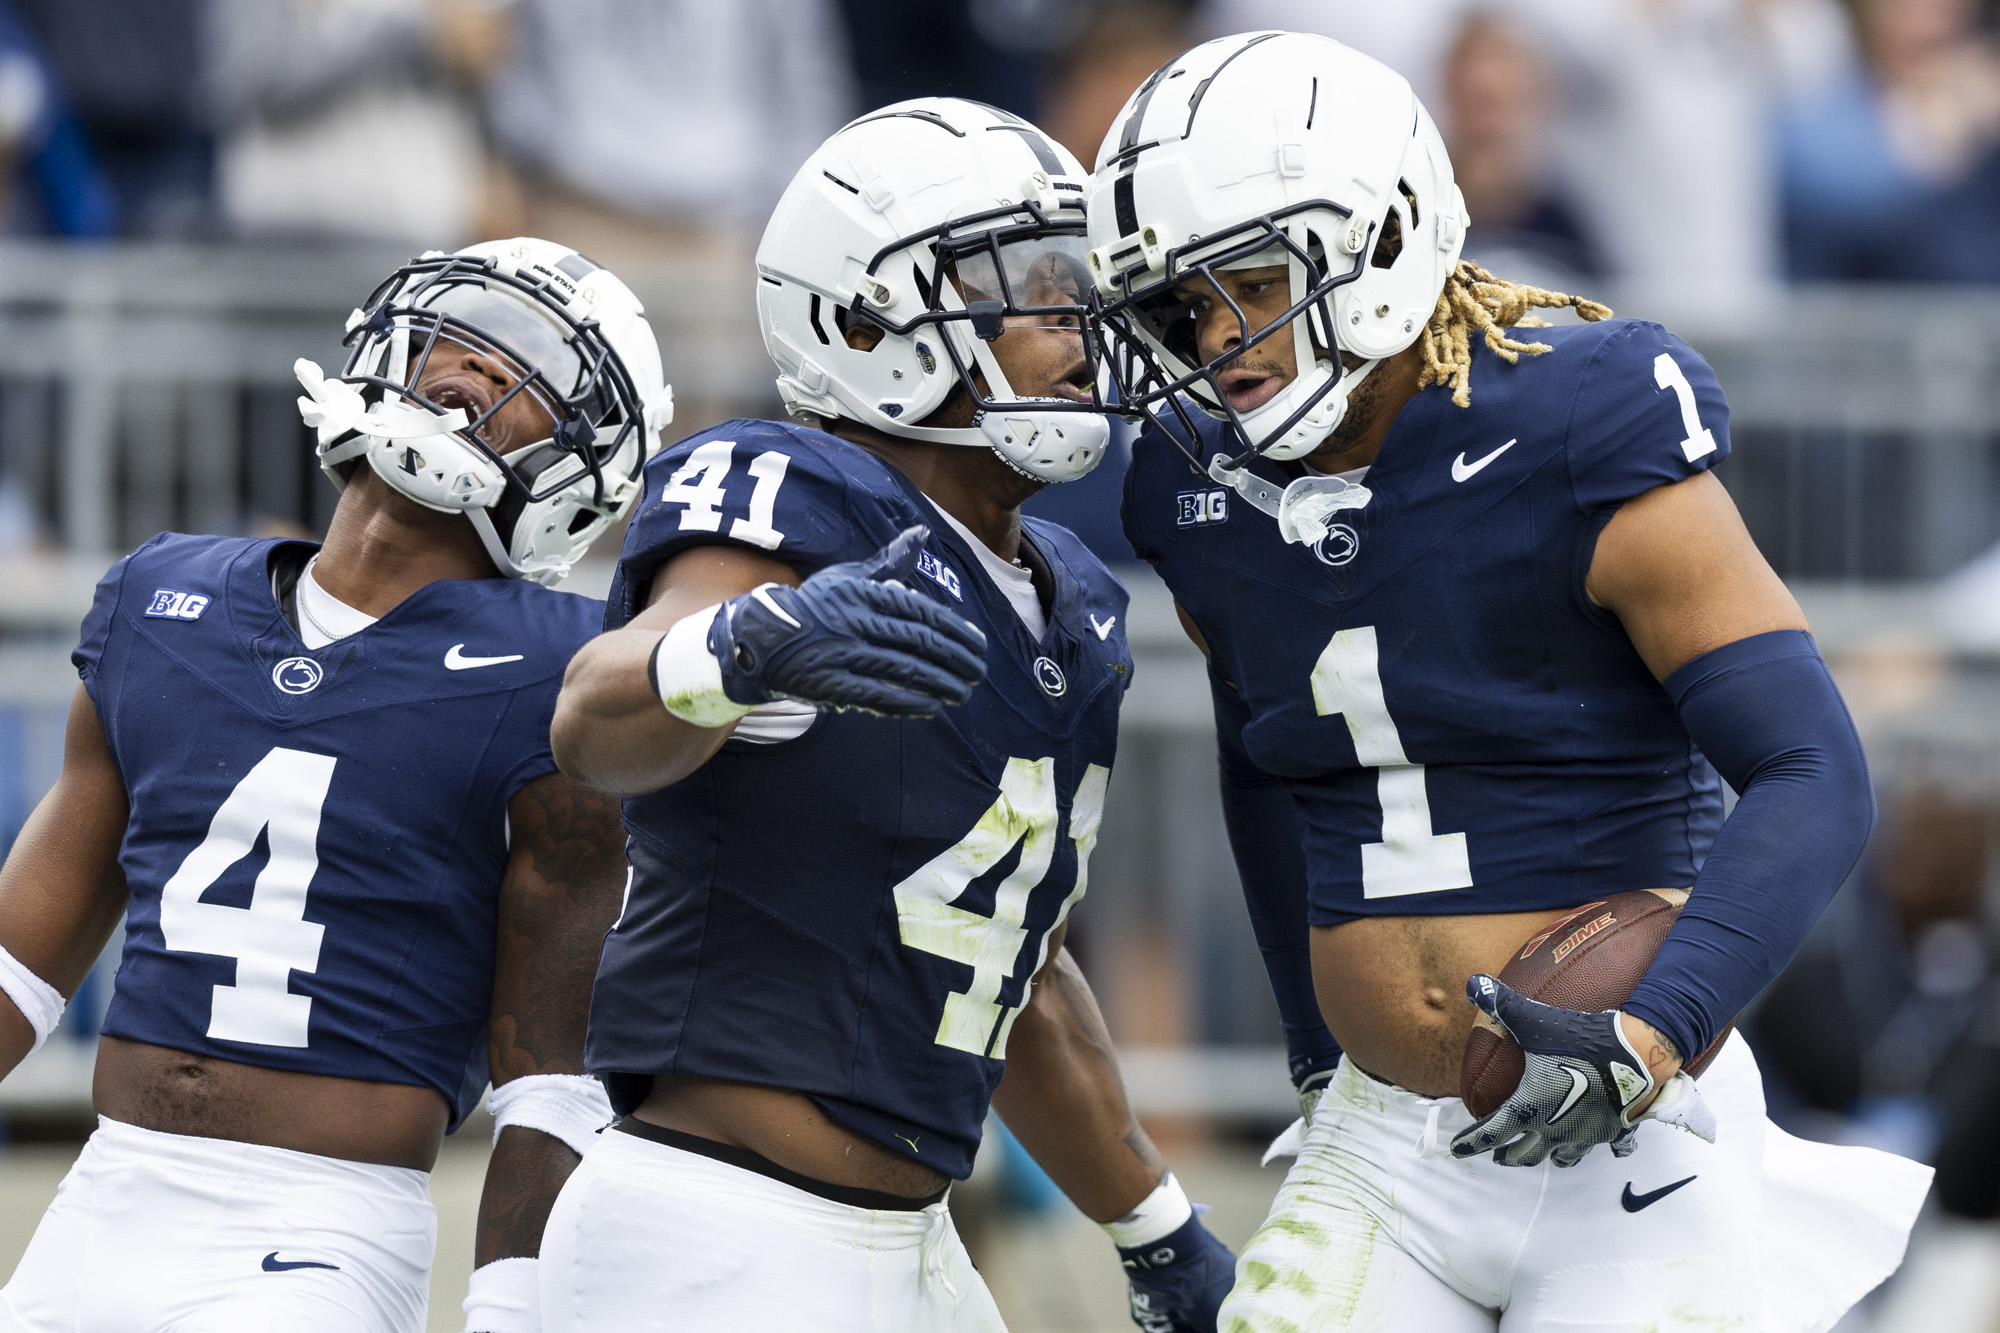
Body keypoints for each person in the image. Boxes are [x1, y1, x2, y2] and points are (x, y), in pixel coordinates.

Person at [1086, 31, 1934, 1329]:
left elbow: (1813, 767)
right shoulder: (1198, 490)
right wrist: (1318, 1059)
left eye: (1247, 282)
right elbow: (1263, 761)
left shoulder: (1580, 418)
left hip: (1633, 1136)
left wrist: (1648, 1035)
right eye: (1181, 307)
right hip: (1383, 1141)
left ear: (1378, 237)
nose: (1217, 338)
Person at [543, 98, 1236, 1333]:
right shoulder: (792, 494)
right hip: (721, 1231)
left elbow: (1015, 958)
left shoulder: (1068, 597)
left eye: (1079, 283)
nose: (1078, 322)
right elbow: (597, 714)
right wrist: (746, 645)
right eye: (1028, 284)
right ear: (867, 319)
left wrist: (1155, 1225)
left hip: (912, 1247)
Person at [0, 235, 673, 1333]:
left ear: (578, 473)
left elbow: (552, 1075)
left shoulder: (558, 676)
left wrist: (509, 1303)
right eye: (463, 333)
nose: (474, 369)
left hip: (317, 1232)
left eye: (525, 373)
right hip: (100, 1194)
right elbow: (19, 961)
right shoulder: (159, 596)